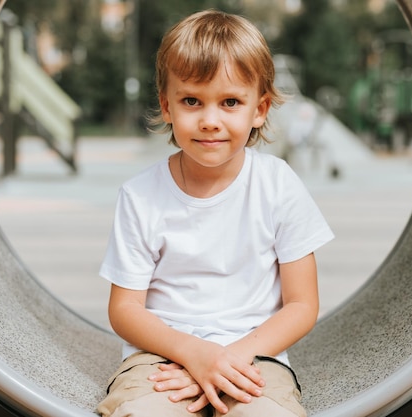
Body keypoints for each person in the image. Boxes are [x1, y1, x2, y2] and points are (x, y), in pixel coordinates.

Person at [97, 9, 334, 417]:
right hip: (160, 356)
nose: (210, 121)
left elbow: (301, 304)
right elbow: (125, 309)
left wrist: (227, 358)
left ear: (259, 109)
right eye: (191, 100)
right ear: (166, 106)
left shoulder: (278, 185)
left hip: (255, 355)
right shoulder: (140, 196)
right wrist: (193, 353)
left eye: (229, 102)